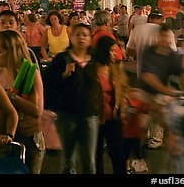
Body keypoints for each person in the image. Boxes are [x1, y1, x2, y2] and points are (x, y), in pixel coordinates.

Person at [42, 23, 103, 174]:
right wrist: (63, 74)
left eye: (85, 35)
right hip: (66, 114)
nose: (81, 38)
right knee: (68, 161)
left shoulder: (95, 61)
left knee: (89, 161)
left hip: (90, 114)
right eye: (78, 34)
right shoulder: (62, 59)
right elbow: (47, 81)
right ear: (71, 37)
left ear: (90, 39)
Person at [0, 30, 45, 174]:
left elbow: (36, 111)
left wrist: (11, 96)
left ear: (12, 52)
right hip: (2, 140)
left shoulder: (30, 74)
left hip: (27, 140)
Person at [139, 24, 184, 151]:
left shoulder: (171, 55)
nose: (165, 40)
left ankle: (173, 157)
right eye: (163, 36)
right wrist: (168, 91)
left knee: (171, 125)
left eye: (167, 37)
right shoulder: (149, 52)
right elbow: (148, 77)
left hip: (161, 96)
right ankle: (137, 155)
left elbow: (181, 72)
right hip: (146, 94)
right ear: (158, 37)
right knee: (140, 126)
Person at [93, 36, 129, 174]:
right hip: (96, 118)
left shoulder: (116, 69)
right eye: (112, 50)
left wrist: (124, 103)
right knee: (96, 156)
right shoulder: (91, 70)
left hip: (114, 117)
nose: (115, 54)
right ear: (104, 51)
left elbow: (124, 88)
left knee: (118, 154)